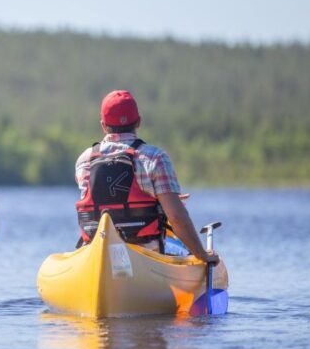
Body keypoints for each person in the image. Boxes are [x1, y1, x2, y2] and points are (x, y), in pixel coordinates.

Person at [74, 90, 218, 265]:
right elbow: (176, 217)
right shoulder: (155, 157)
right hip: (145, 258)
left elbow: (104, 198)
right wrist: (201, 255)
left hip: (96, 256)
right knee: (177, 245)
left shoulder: (84, 160)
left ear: (103, 125)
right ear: (139, 122)